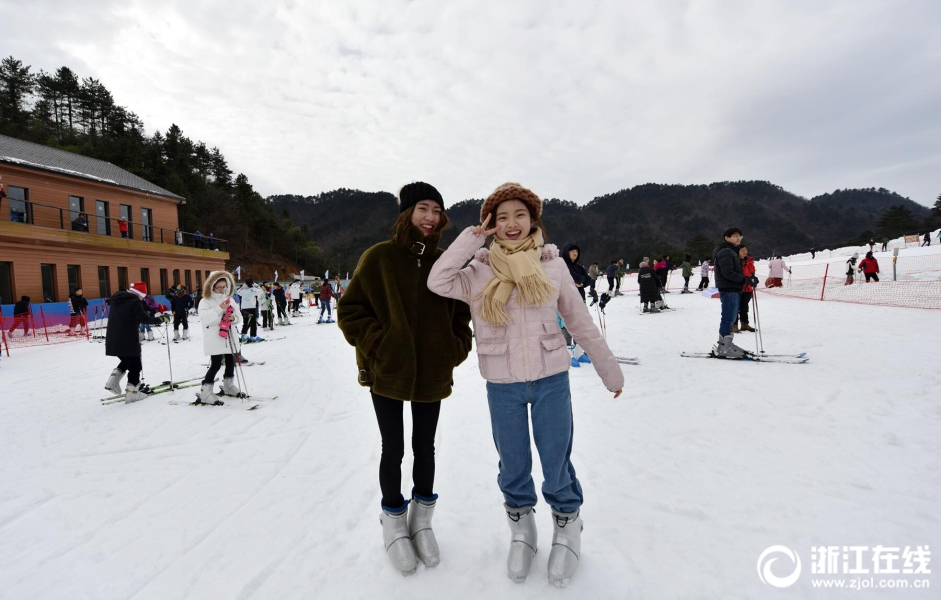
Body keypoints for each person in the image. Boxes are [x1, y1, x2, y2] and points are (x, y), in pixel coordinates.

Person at [427, 182, 624, 587]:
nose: (512, 224)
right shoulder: (479, 270)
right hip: (502, 384)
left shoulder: (552, 266)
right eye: (501, 218)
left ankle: (567, 526)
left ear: (534, 220)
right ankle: (522, 528)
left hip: (551, 380)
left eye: (520, 215)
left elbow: (580, 322)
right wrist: (472, 238)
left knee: (556, 462)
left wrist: (609, 370)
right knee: (513, 464)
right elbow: (438, 280)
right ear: (490, 224)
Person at [337, 181, 473, 577]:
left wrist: (454, 347)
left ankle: (422, 522)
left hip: (432, 369)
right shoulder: (379, 257)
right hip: (387, 370)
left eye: (436, 210)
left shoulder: (448, 261)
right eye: (422, 209)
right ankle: (394, 522)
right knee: (393, 447)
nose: (430, 218)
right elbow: (351, 310)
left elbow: (462, 315)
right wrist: (379, 344)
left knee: (425, 446)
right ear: (407, 213)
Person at [103, 282, 168, 403]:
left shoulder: (118, 299)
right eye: (143, 296)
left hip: (113, 337)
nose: (143, 299)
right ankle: (132, 393)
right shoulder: (134, 301)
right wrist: (160, 319)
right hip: (127, 338)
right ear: (141, 294)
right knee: (136, 366)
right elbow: (143, 318)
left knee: (127, 362)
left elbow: (131, 313)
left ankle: (112, 382)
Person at [196, 271, 244, 405]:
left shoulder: (231, 299)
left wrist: (233, 318)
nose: (222, 289)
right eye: (219, 287)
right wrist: (219, 309)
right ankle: (205, 391)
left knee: (231, 361)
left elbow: (239, 317)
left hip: (230, 336)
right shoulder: (205, 301)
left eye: (224, 286)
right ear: (211, 286)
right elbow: (205, 320)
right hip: (215, 337)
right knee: (216, 364)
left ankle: (228, 385)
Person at [712, 228, 758, 359]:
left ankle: (726, 345)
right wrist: (747, 280)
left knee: (731, 318)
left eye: (740, 236)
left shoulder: (731, 251)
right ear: (727, 238)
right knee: (728, 318)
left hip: (732, 288)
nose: (738, 238)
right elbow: (728, 273)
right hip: (729, 289)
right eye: (734, 236)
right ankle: (723, 348)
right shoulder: (726, 252)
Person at [735, 246, 756, 333]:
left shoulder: (749, 261)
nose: (744, 252)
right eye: (742, 250)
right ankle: (734, 325)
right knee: (735, 307)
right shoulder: (735, 260)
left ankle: (744, 324)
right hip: (737, 287)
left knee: (744, 306)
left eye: (745, 250)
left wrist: (754, 279)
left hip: (747, 288)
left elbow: (752, 272)